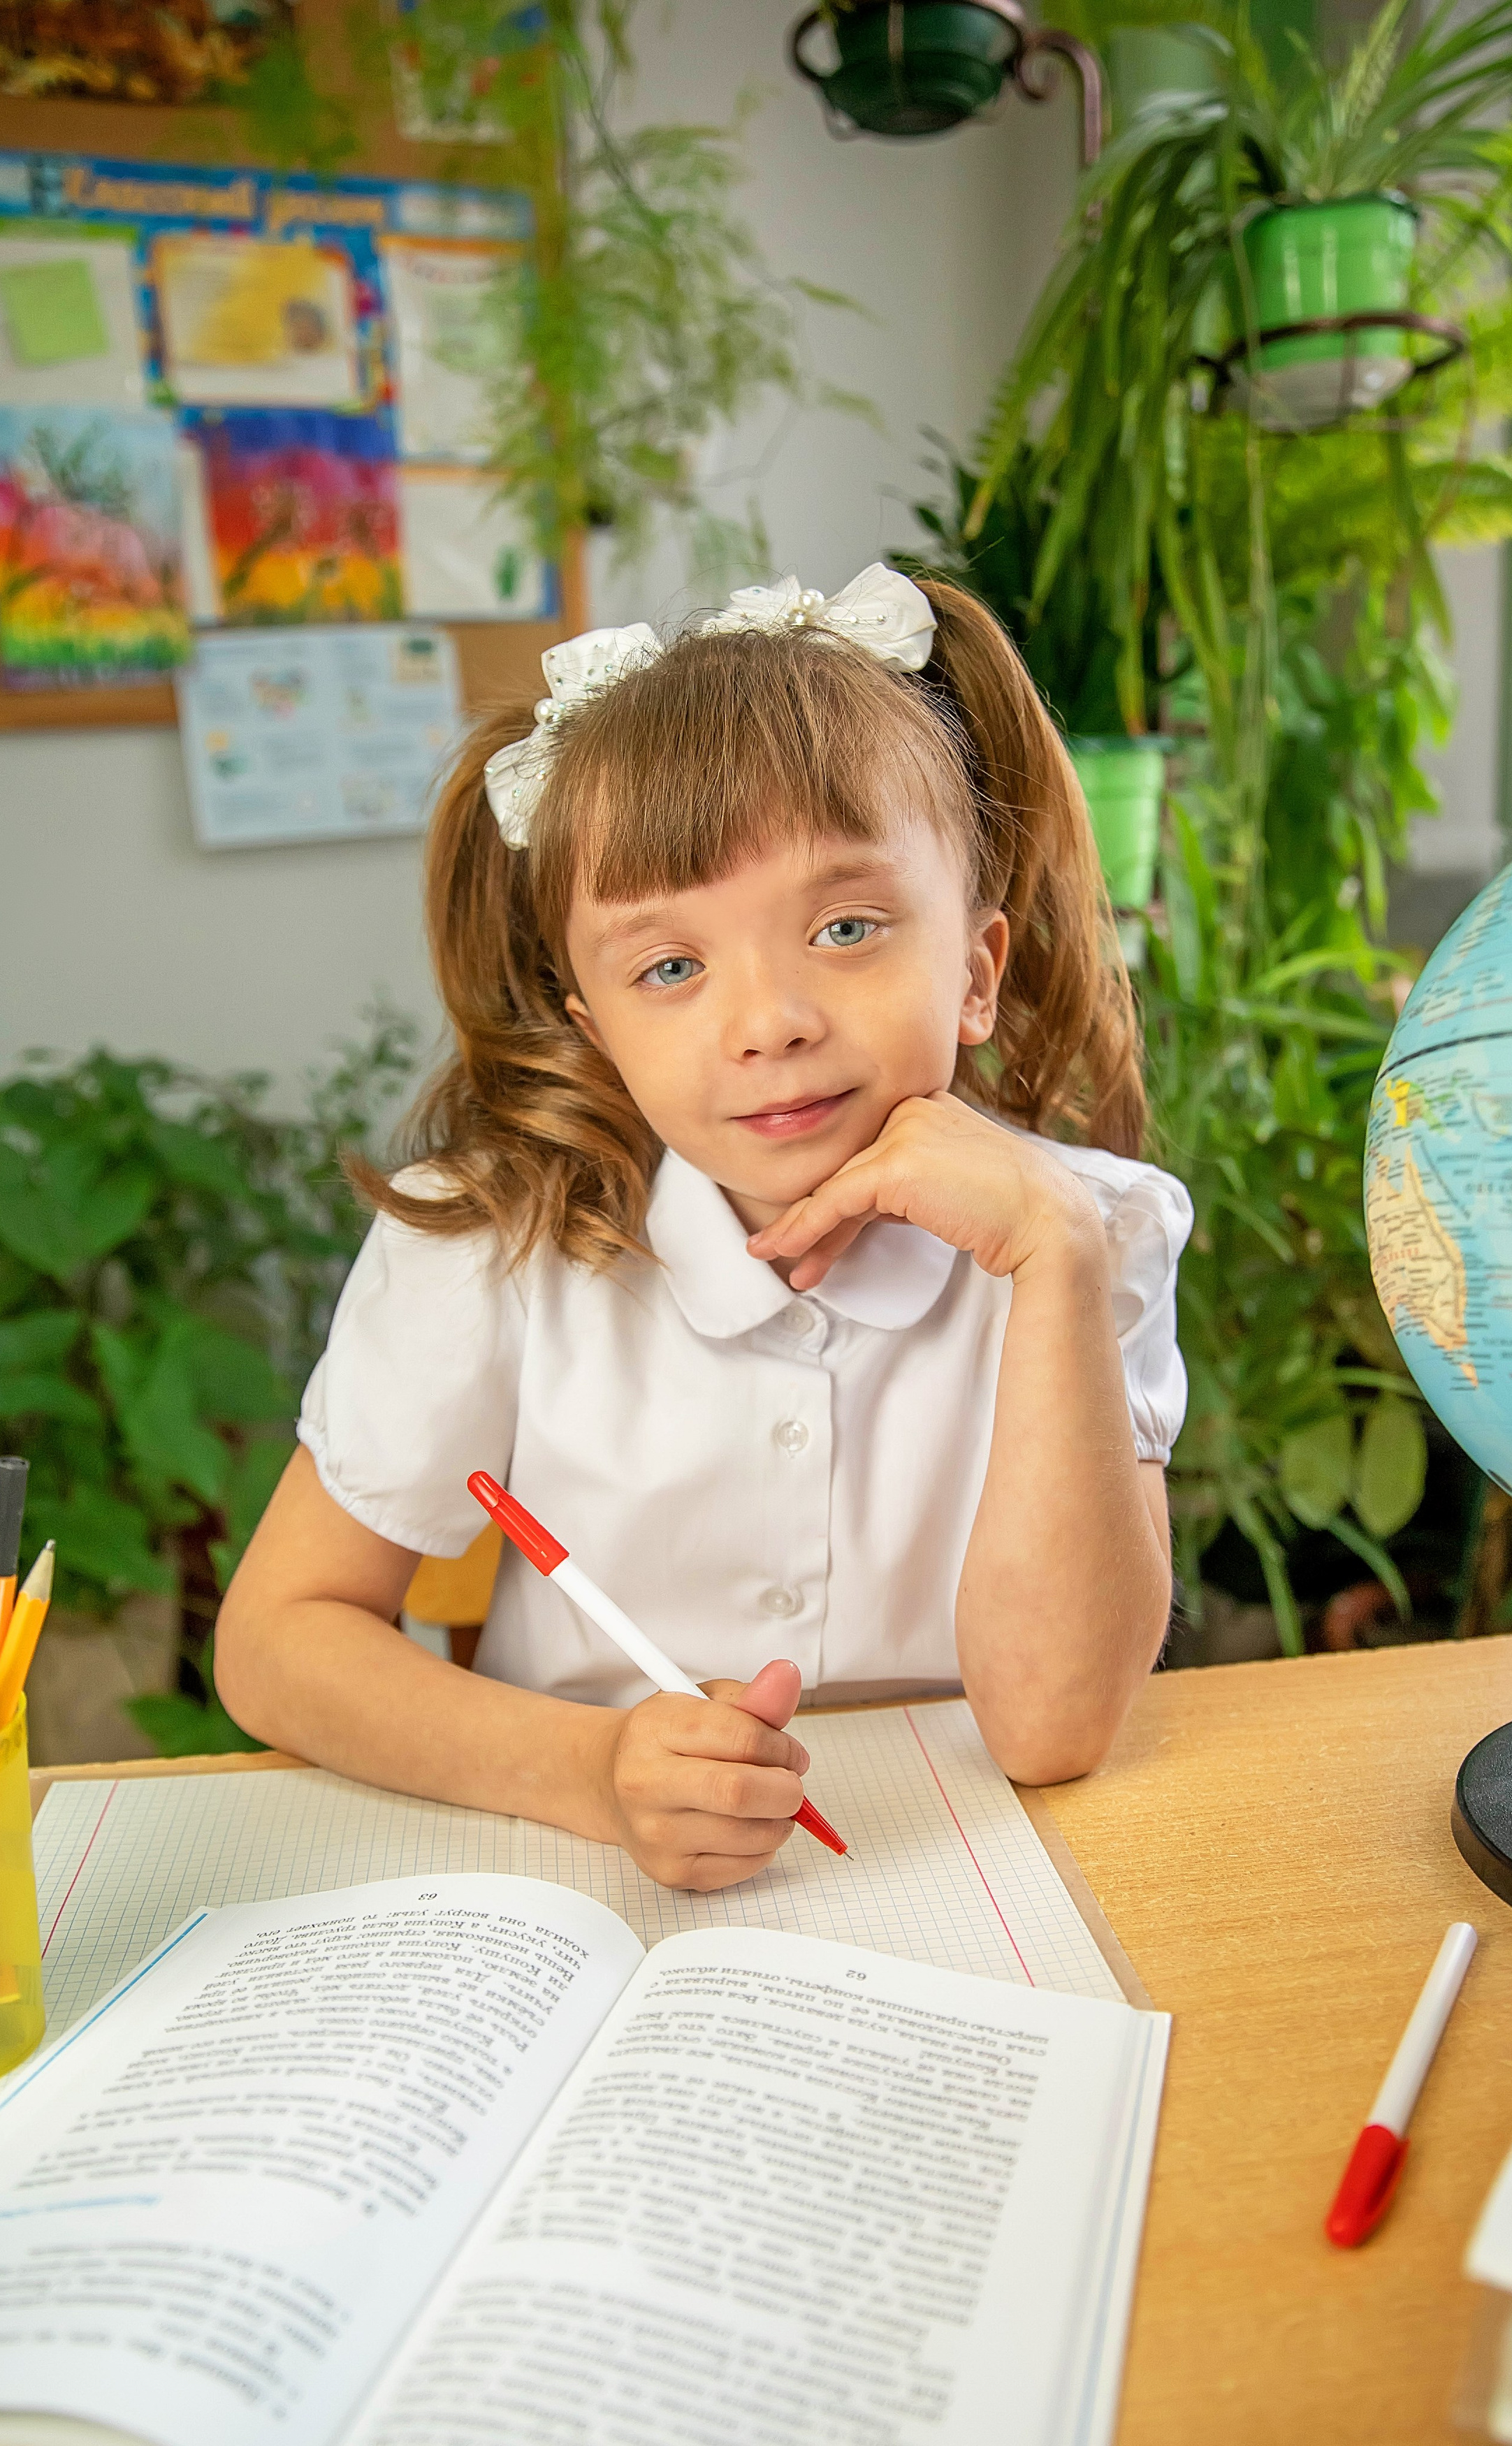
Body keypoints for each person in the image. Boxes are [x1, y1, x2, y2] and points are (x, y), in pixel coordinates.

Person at [215, 565, 1191, 1891]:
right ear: (591, 1024)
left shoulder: (1091, 1234)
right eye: (670, 967)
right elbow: (279, 1640)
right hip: (576, 1886)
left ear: (975, 968)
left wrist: (1056, 1261)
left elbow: (1054, 1727)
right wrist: (590, 1771)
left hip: (973, 1879)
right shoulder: (489, 1243)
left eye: (847, 925)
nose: (769, 1018)